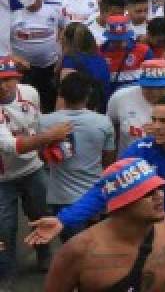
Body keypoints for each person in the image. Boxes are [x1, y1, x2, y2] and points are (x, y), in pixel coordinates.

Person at [30, 94, 165, 291]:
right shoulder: (139, 151)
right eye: (153, 119)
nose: (156, 126)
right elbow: (105, 190)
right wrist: (63, 220)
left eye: (164, 121)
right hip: (154, 242)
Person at [41, 158, 165, 292]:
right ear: (122, 203)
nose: (159, 196)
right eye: (148, 193)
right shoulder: (79, 250)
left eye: (159, 188)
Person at [0, 56, 72, 283]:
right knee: (4, 227)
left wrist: (48, 145)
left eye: (7, 80)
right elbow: (12, 146)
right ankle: (6, 274)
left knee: (42, 215)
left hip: (33, 168)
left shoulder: (30, 93)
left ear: (16, 79)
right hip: (2, 177)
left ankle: (44, 255)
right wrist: (50, 136)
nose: (2, 86)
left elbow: (37, 123)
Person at [38, 71, 116, 242]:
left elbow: (42, 158)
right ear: (88, 94)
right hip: (96, 194)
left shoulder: (45, 122)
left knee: (71, 249)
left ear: (62, 95)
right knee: (98, 246)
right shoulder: (103, 122)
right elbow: (109, 160)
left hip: (61, 197)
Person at [10, 0, 65, 109]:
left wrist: (60, 54)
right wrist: (14, 58)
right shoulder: (12, 12)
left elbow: (64, 28)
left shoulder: (55, 8)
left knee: (48, 102)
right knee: (23, 103)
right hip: (21, 70)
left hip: (49, 67)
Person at [60, 22, 112, 111]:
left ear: (67, 40)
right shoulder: (101, 58)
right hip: (102, 108)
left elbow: (64, 94)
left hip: (81, 111)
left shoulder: (70, 61)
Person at [101, 13, 156, 95]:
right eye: (115, 40)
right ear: (108, 37)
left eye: (122, 39)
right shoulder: (100, 53)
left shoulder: (144, 51)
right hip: (110, 101)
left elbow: (153, 79)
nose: (119, 42)